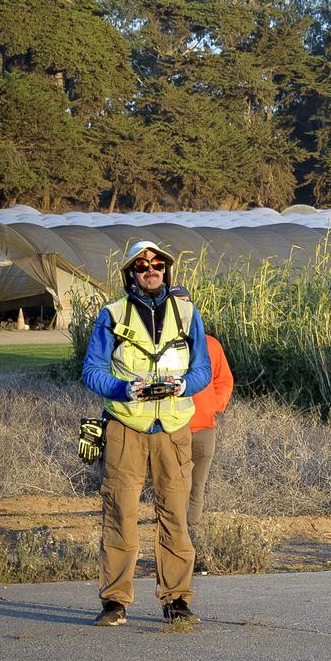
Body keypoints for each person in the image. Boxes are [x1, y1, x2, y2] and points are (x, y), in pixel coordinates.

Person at [82, 240, 211, 627]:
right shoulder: (112, 314)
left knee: (175, 515)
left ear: (166, 271)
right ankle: (115, 602)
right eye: (142, 265)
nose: (150, 269)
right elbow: (92, 371)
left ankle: (177, 602)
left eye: (157, 264)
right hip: (125, 427)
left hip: (173, 429)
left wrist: (182, 386)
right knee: (120, 513)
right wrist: (125, 389)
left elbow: (202, 370)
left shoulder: (188, 314)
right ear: (131, 273)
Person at [170, 289, 233, 537]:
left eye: (187, 303)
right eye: (178, 303)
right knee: (175, 485)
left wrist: (214, 404)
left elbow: (224, 379)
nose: (184, 307)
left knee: (197, 485)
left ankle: (191, 534)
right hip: (175, 426)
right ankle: (173, 533)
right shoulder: (162, 346)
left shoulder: (210, 344)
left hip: (205, 428)